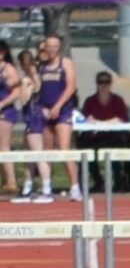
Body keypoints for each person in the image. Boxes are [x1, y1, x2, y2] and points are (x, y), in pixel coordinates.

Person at [80, 69, 130, 194]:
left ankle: (119, 182)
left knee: (119, 147)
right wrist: (110, 122)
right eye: (101, 82)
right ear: (97, 84)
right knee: (84, 147)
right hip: (96, 138)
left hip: (114, 137)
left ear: (111, 84)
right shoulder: (90, 101)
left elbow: (122, 121)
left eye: (107, 82)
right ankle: (98, 181)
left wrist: (100, 123)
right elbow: (87, 120)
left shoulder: (117, 100)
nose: (104, 85)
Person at [31, 31, 80, 201]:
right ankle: (46, 188)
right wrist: (43, 108)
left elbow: (71, 87)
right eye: (48, 46)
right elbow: (37, 88)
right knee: (47, 150)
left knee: (64, 148)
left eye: (54, 46)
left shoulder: (65, 63)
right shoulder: (41, 66)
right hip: (45, 110)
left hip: (62, 110)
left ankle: (75, 187)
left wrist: (58, 106)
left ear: (59, 47)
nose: (51, 49)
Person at [0, 38, 25, 199]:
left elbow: (16, 92)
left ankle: (12, 181)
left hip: (4, 112)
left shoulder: (8, 69)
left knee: (3, 147)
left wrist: (2, 104)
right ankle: (5, 181)